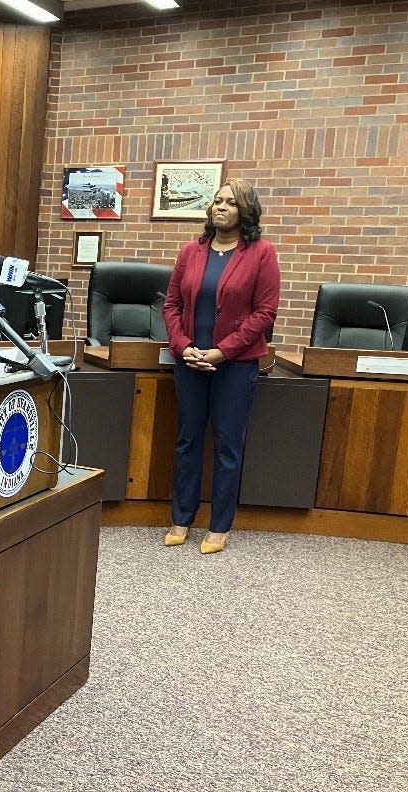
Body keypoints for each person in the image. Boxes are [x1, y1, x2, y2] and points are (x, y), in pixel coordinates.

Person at [162, 178, 280, 554]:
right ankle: (182, 517)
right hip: (190, 363)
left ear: (246, 211)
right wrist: (183, 347)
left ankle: (219, 526)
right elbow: (171, 306)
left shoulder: (262, 254)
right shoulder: (190, 252)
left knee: (228, 446)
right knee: (187, 441)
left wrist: (221, 351)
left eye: (230, 202)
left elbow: (265, 313)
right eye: (217, 201)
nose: (220, 207)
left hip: (236, 366)